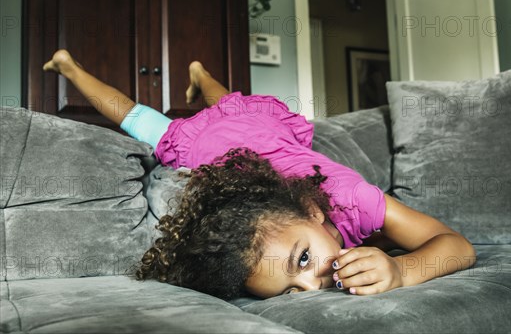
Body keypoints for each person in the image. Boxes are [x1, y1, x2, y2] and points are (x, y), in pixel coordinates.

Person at [43, 49, 476, 300]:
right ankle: (71, 67)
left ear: (313, 210)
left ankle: (198, 75)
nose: (311, 287)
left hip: (254, 130)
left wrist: (404, 272)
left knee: (231, 103)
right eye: (291, 286)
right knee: (137, 118)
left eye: (302, 261)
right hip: (209, 146)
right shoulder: (202, 162)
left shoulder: (351, 197)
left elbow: (456, 246)